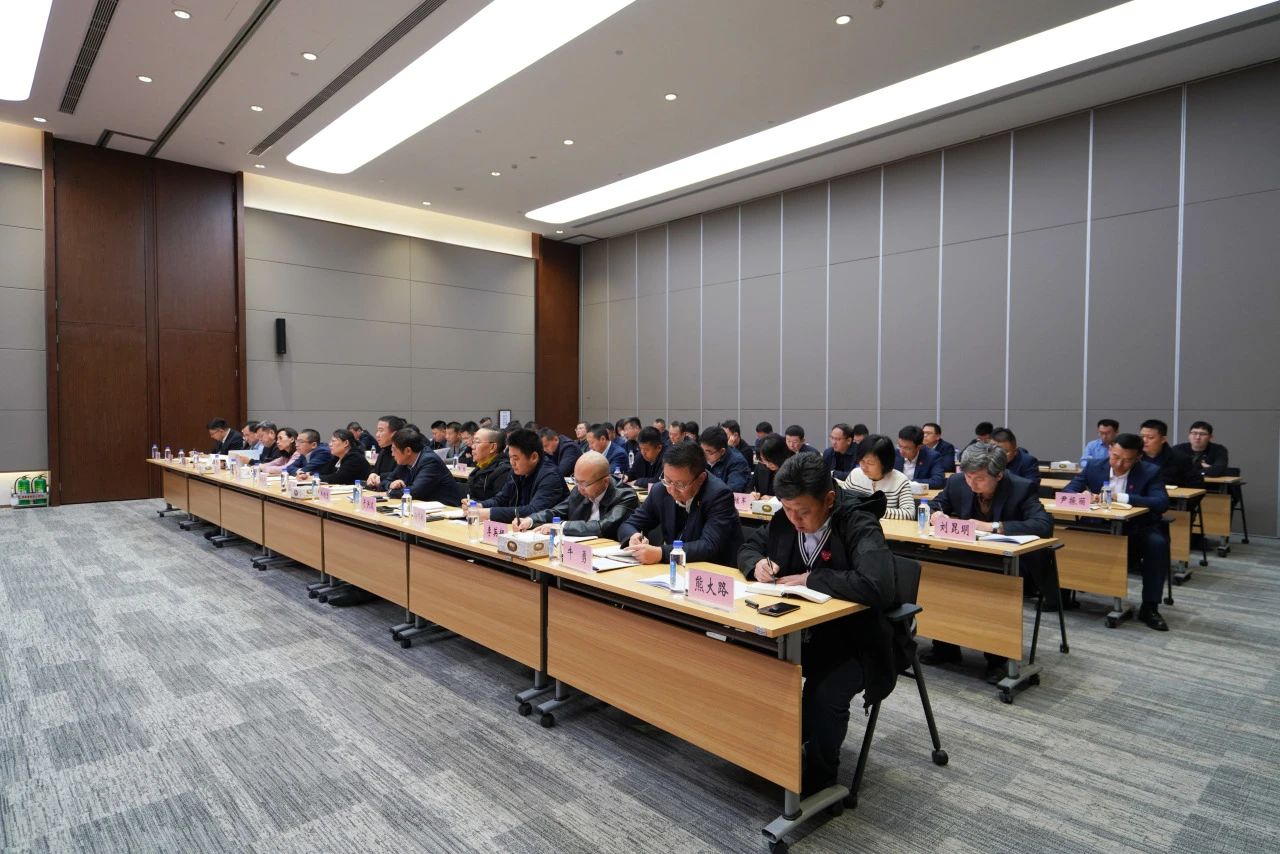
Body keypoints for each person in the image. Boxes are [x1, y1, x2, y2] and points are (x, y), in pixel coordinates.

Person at [737, 453, 898, 795]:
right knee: (745, 660)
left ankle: (821, 778)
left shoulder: (859, 522)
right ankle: (766, 749)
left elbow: (878, 585)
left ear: (829, 499)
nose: (793, 519)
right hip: (798, 632)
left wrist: (811, 579)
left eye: (803, 512)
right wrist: (757, 564)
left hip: (855, 639)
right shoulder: (786, 517)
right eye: (787, 509)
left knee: (824, 694)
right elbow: (749, 546)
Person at [925, 443, 1055, 680]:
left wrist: (992, 526)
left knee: (994, 588)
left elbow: (1043, 525)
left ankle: (997, 660)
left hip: (1006, 562)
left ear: (999, 475)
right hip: (966, 555)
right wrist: (936, 514)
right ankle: (945, 647)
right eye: (968, 476)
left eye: (980, 479)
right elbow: (934, 504)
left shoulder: (1021, 487)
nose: (971, 483)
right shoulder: (957, 482)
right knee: (941, 576)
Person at [1064, 434, 1171, 631]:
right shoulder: (1094, 466)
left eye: (1127, 460)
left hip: (1137, 528)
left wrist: (1120, 497)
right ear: (1110, 450)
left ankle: (1150, 607)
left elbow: (1161, 502)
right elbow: (1067, 492)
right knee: (1067, 537)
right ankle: (1061, 594)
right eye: (1115, 457)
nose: (1119, 464)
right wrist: (1083, 496)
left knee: (1157, 544)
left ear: (1138, 458)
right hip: (1098, 525)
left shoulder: (1150, 471)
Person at [617, 441, 744, 566]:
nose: (671, 490)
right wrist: (633, 537)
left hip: (713, 569)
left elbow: (709, 546)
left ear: (700, 479)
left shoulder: (718, 495)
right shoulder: (660, 490)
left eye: (680, 484)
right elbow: (629, 524)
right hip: (676, 568)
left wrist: (661, 553)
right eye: (667, 480)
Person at [514, 451, 639, 540]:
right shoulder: (579, 491)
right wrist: (530, 520)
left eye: (584, 483)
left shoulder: (626, 496)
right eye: (576, 481)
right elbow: (556, 512)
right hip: (580, 549)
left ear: (605, 481)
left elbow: (603, 527)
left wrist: (561, 526)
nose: (579, 488)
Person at [476, 428, 569, 523]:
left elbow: (533, 511)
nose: (512, 463)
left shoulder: (550, 476)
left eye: (515, 458)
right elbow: (502, 498)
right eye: (510, 457)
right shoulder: (518, 471)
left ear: (534, 457)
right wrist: (479, 505)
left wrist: (490, 513)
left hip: (548, 529)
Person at [378, 428, 463, 505]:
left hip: (446, 509)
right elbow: (386, 481)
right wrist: (391, 484)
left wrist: (390, 492)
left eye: (394, 450)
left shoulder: (430, 461)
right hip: (422, 506)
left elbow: (414, 492)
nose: (392, 454)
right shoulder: (405, 461)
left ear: (408, 451)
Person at [840, 435, 916, 520]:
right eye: (862, 461)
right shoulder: (855, 475)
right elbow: (840, 504)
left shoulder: (900, 480)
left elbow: (909, 513)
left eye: (870, 463)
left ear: (885, 463)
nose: (864, 467)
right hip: (856, 525)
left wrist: (872, 510)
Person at [1140, 419, 1202, 486]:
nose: (1144, 440)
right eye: (1142, 437)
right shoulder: (1134, 457)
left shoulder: (1180, 459)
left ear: (1163, 439)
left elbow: (1197, 485)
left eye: (1150, 437)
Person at [699, 426, 752, 492]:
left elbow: (731, 491)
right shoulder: (702, 457)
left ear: (722, 451)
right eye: (702, 450)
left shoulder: (737, 462)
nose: (704, 455)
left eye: (709, 452)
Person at [466, 428, 511, 502]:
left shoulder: (504, 471)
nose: (472, 446)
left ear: (492, 447)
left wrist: (476, 505)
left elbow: (500, 503)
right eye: (473, 442)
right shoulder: (481, 466)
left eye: (477, 442)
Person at [751, 433, 794, 497]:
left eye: (770, 460)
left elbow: (795, 496)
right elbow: (750, 486)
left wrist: (774, 499)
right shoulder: (762, 465)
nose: (767, 465)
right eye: (764, 460)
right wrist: (752, 493)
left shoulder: (792, 468)